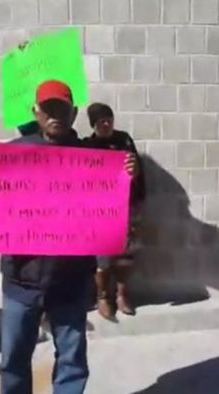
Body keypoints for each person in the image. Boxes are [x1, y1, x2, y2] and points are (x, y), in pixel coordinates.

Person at [0, 80, 138, 394]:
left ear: (73, 113)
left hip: (70, 281)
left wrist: (129, 177)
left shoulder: (94, 158)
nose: (55, 114)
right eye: (48, 108)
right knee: (13, 361)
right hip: (21, 279)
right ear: (37, 111)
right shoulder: (13, 153)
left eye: (61, 108)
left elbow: (119, 206)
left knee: (72, 361)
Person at [83, 102, 146, 320]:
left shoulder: (124, 140)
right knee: (103, 260)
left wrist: (135, 170)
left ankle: (121, 295)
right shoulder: (87, 146)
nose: (107, 124)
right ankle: (103, 297)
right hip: (100, 213)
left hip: (126, 208)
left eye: (109, 119)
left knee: (125, 257)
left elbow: (138, 172)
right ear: (93, 124)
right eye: (101, 121)